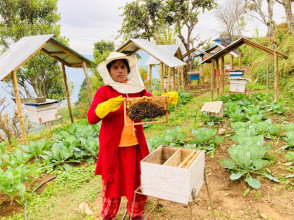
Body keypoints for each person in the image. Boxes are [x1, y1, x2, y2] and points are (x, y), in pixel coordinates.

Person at [87, 52, 178, 220]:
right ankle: (108, 215)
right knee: (113, 184)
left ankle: (136, 215)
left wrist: (165, 100)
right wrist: (103, 108)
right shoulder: (104, 92)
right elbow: (91, 117)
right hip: (113, 149)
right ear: (109, 71)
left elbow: (154, 104)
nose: (120, 70)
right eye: (115, 67)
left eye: (123, 67)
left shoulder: (137, 90)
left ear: (128, 70)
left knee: (136, 181)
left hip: (135, 147)